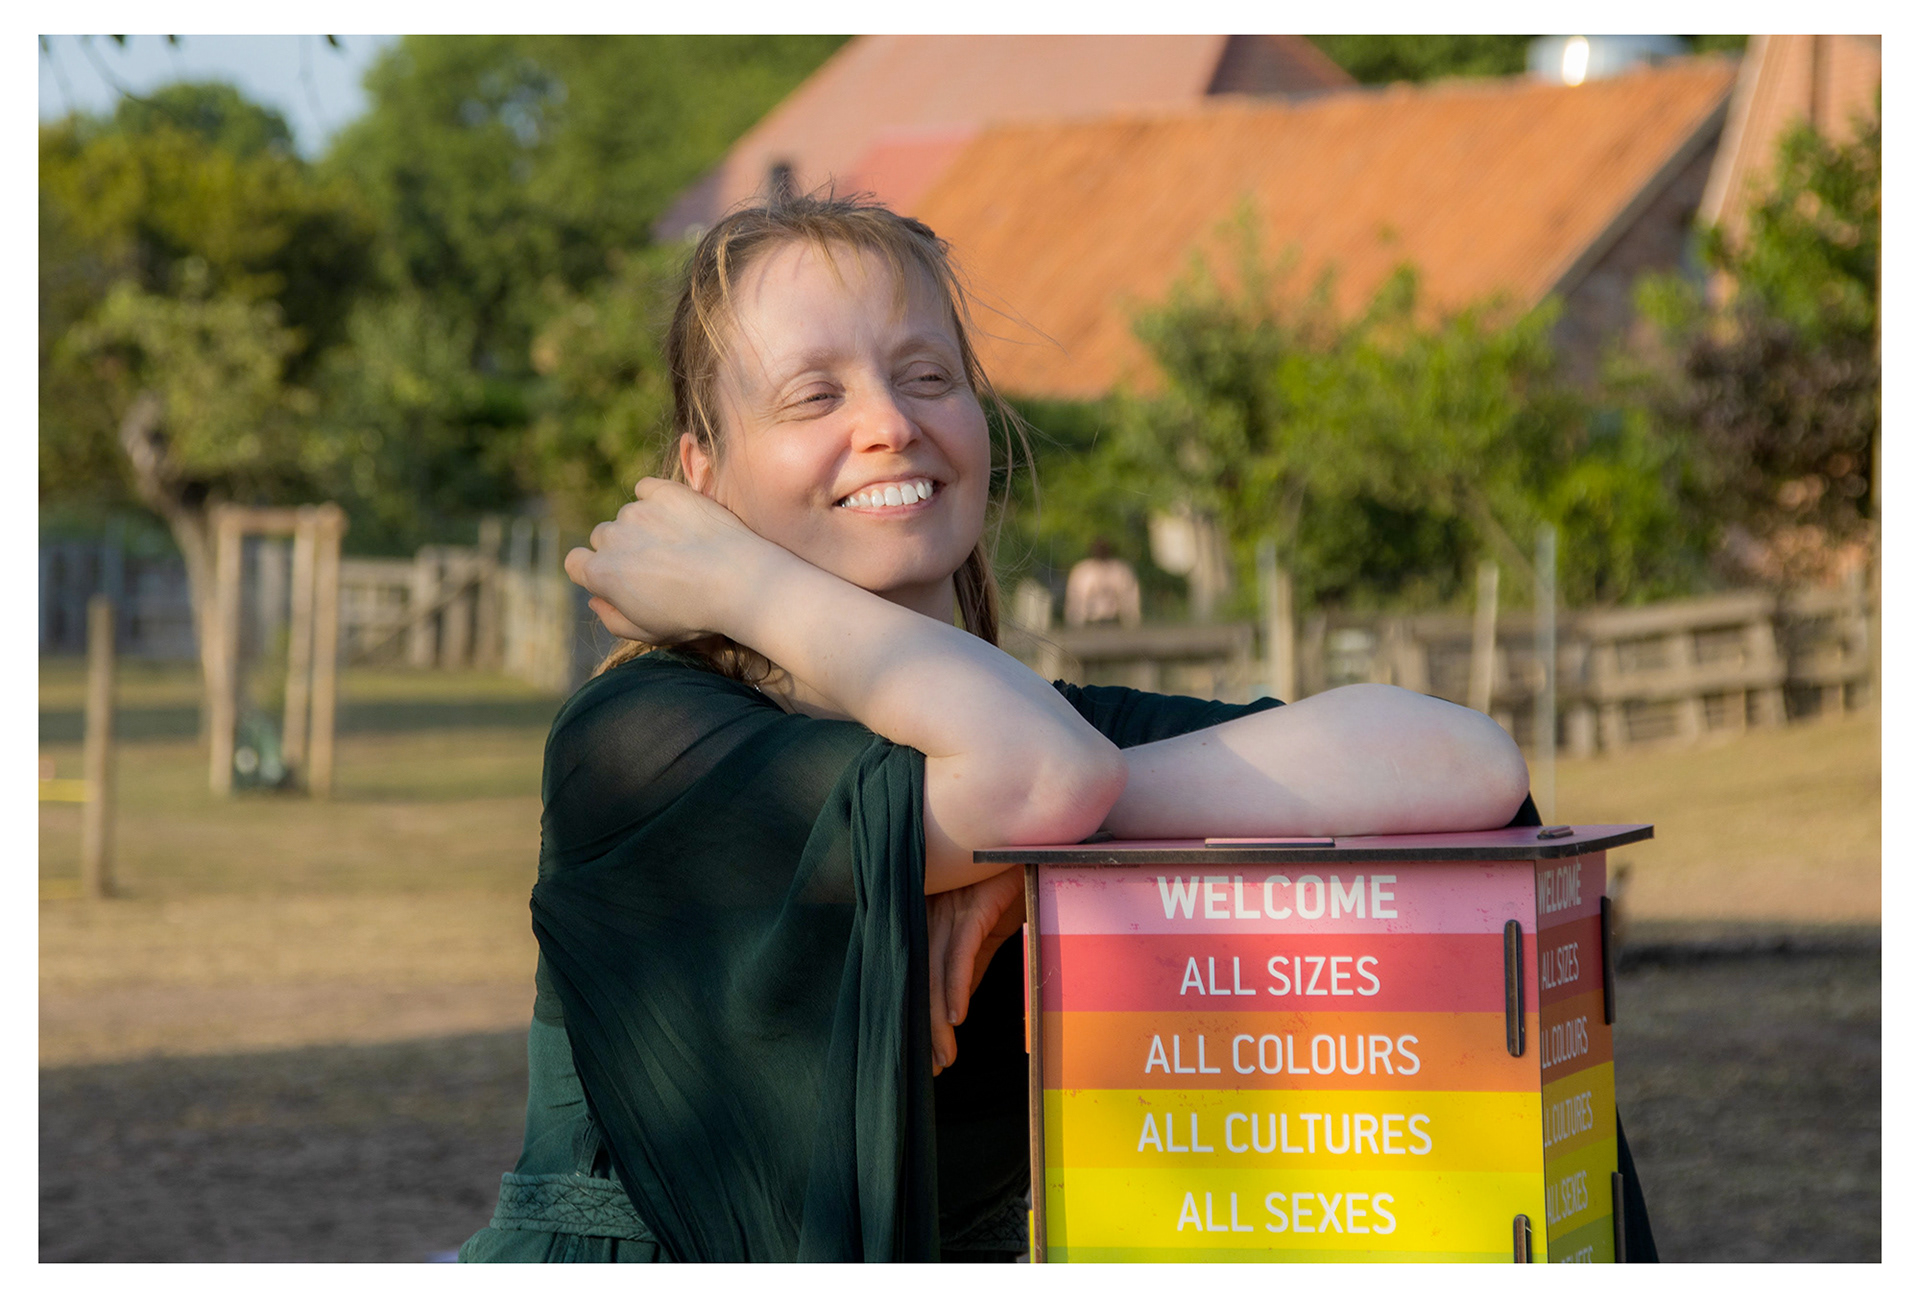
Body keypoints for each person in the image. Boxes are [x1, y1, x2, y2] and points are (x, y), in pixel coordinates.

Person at [458, 193, 1547, 1264]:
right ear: (703, 472)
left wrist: (1031, 852)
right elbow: (1036, 781)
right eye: (811, 395)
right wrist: (746, 585)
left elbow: (1463, 760)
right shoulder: (645, 741)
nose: (889, 422)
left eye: (927, 376)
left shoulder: (1051, 743)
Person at [1063, 538, 1141, 628]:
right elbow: (1075, 598)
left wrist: (1132, 620)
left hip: (1114, 622)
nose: (1101, 552)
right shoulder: (1082, 571)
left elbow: (1130, 597)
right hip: (1089, 623)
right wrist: (1074, 622)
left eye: (1104, 549)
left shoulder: (1120, 570)